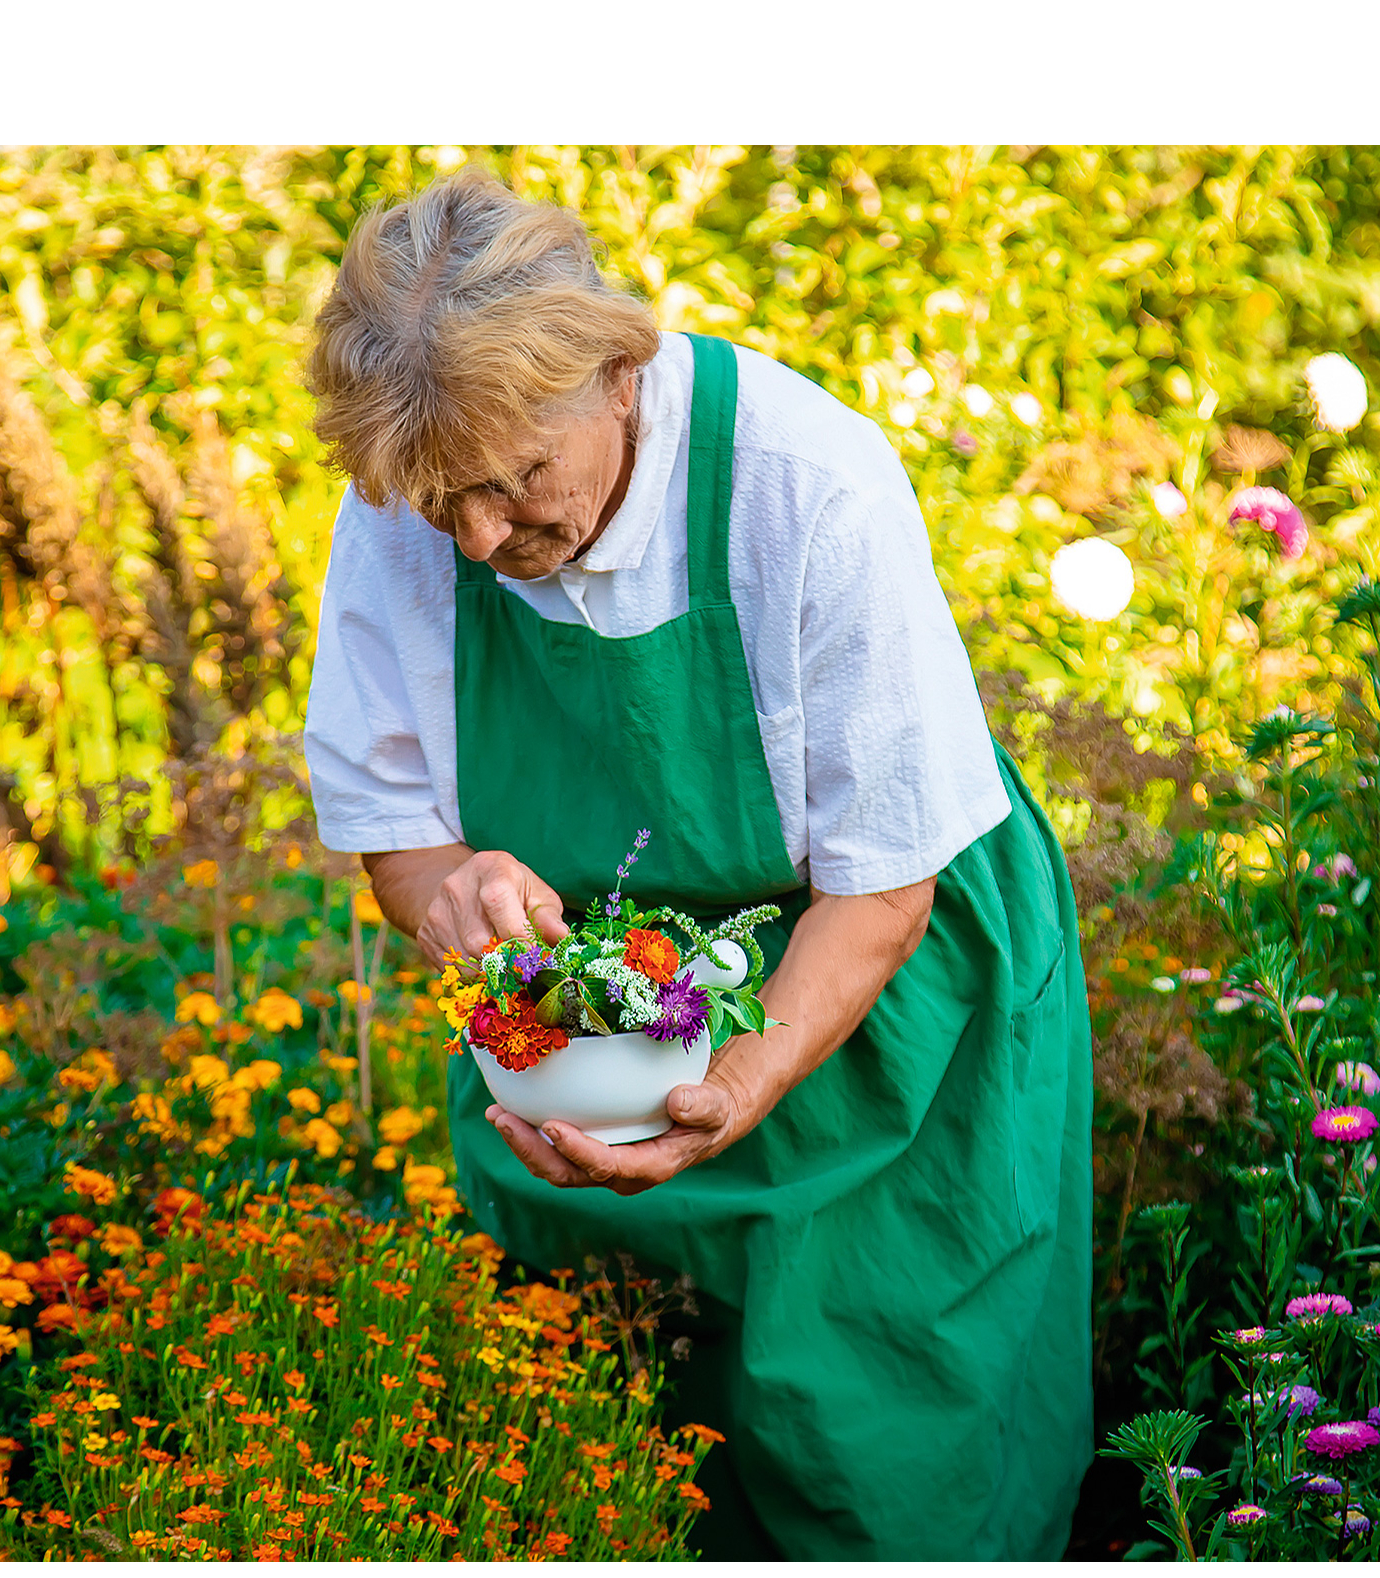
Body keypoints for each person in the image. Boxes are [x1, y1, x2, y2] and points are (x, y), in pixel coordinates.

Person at [301, 164, 1091, 1560]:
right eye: (445, 508)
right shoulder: (413, 491)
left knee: (887, 1444)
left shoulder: (806, 484)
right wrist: (457, 888)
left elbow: (883, 888)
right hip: (602, 1029)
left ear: (618, 371)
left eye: (516, 483)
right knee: (604, 1446)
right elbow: (400, 835)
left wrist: (733, 1081)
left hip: (883, 1016)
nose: (481, 537)